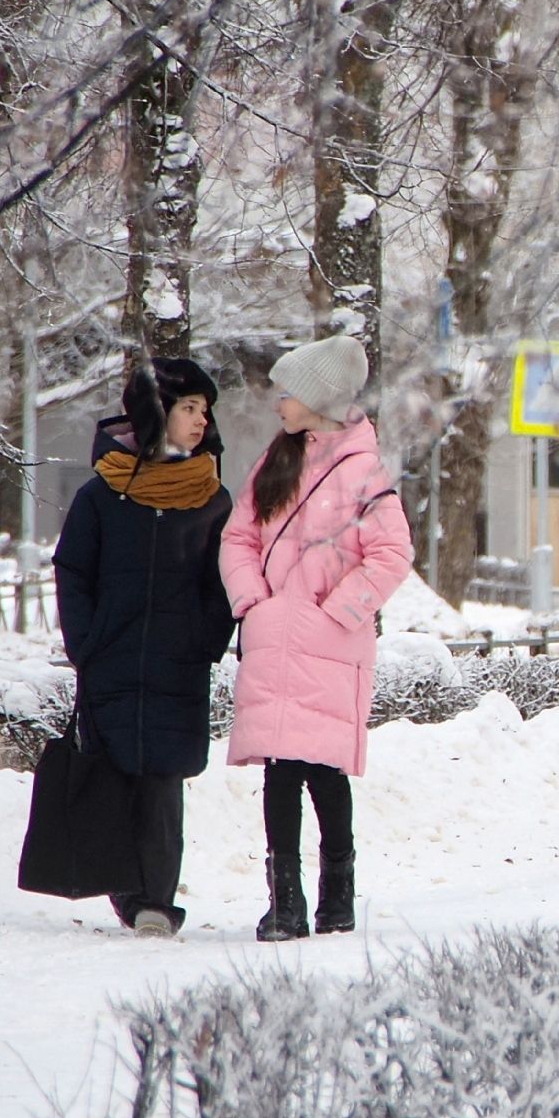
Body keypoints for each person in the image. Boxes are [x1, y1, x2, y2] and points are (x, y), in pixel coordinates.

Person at [219, 334, 413, 942]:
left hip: (331, 644)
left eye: (289, 391)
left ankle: (337, 898)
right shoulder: (274, 461)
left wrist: (337, 613)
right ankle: (285, 905)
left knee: (324, 772)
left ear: (318, 397)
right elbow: (238, 538)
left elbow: (392, 552)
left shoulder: (363, 472)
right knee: (279, 772)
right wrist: (254, 604)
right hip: (275, 640)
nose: (279, 402)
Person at [50, 356, 236, 937]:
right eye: (187, 408)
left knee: (162, 780)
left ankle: (155, 899)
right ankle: (124, 889)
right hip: (112, 661)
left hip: (177, 666)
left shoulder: (211, 499)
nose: (200, 420)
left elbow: (222, 581)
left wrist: (204, 640)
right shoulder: (101, 496)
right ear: (156, 414)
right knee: (115, 773)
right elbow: (73, 571)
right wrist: (88, 642)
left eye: (204, 410)